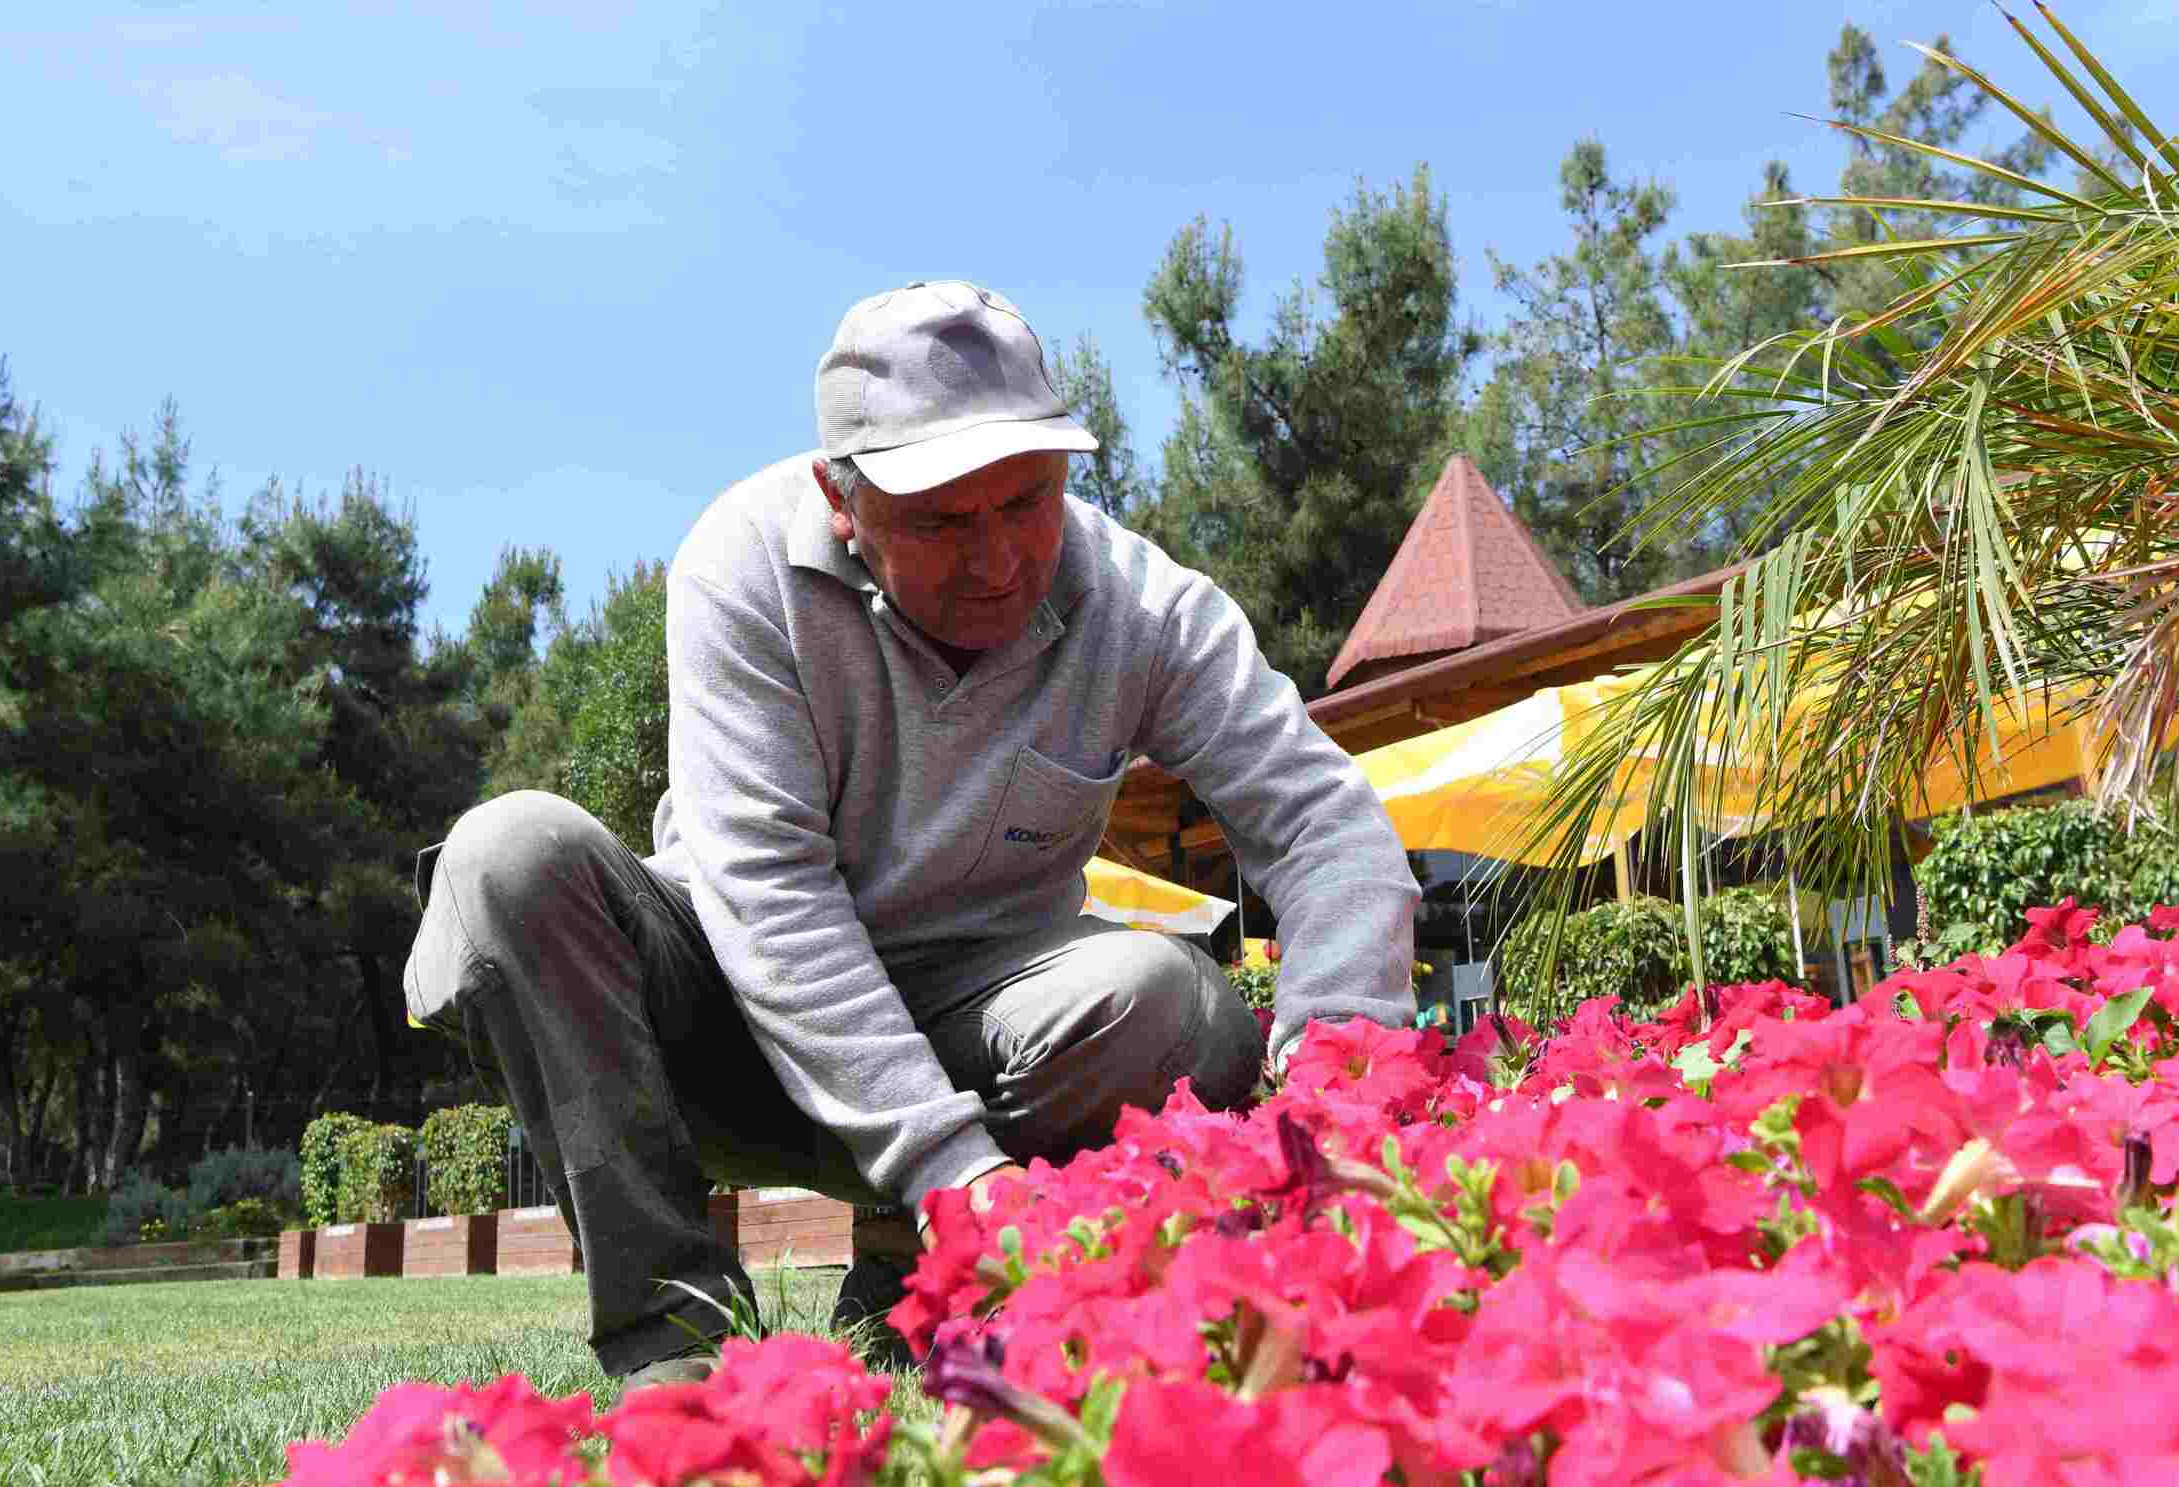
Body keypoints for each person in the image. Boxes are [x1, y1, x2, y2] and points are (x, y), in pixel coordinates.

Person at [401, 280, 1421, 1389]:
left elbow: (1321, 819)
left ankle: (908, 1280)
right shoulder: (742, 568)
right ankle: (674, 1337)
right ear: (843, 499)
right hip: (729, 1016)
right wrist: (952, 1175)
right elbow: (772, 897)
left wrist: (1341, 1071)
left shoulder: (1144, 608)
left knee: (1166, 1001)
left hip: (985, 1024)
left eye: (1027, 502)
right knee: (510, 852)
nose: (997, 562)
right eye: (940, 521)